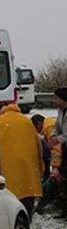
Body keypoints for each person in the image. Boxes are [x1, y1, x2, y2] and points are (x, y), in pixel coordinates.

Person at [0, 103, 43, 218]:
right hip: (29, 163)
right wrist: (40, 164)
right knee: (28, 191)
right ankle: (28, 215)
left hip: (9, 163)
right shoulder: (26, 120)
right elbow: (38, 143)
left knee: (13, 192)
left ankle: (16, 217)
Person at [48, 87, 67, 218]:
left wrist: (57, 140)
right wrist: (53, 135)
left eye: (56, 98)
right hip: (65, 147)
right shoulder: (61, 110)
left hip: (64, 142)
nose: (54, 100)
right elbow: (57, 126)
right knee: (64, 175)